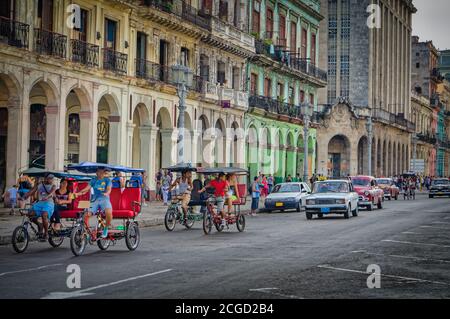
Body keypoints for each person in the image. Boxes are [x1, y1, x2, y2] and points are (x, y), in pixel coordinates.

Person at [74, 168, 112, 238]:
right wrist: (78, 194)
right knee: (86, 215)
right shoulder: (93, 180)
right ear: (96, 172)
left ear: (104, 173)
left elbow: (109, 189)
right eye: (98, 172)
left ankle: (106, 228)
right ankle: (87, 232)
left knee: (109, 212)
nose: (99, 173)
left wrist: (106, 193)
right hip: (94, 200)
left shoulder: (107, 180)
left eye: (101, 172)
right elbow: (86, 189)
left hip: (104, 199)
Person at [23, 174, 57, 240]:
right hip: (40, 203)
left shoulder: (53, 186)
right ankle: (40, 225)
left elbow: (51, 193)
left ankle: (46, 233)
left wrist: (47, 197)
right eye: (49, 178)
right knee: (30, 214)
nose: (51, 180)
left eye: (52, 178)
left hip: (49, 203)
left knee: (44, 214)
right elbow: (31, 191)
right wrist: (23, 197)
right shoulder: (40, 184)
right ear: (45, 178)